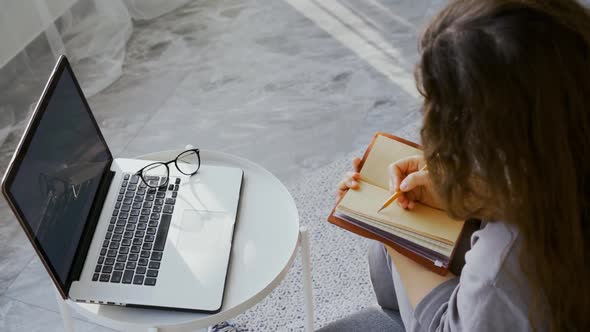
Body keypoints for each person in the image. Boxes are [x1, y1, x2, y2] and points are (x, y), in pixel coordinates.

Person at [326, 0, 590, 331]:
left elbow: (443, 325)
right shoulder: (567, 156)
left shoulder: (504, 262)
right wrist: (475, 195)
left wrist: (395, 235)